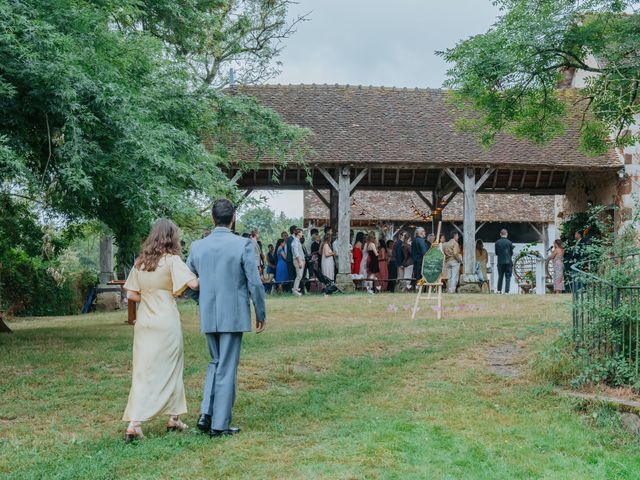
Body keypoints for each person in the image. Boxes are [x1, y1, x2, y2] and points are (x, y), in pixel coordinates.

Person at [187, 199, 266, 438]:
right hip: (233, 313)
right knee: (227, 367)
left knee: (216, 362)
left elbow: (185, 279)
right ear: (233, 219)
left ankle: (206, 413)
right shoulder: (243, 244)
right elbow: (255, 282)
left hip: (209, 312)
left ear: (213, 219)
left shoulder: (197, 247)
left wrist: (200, 298)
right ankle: (219, 424)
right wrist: (260, 313)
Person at [122, 219, 199, 442]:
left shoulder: (140, 262)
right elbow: (193, 284)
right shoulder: (172, 260)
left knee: (144, 370)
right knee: (172, 368)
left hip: (144, 322)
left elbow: (131, 294)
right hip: (166, 322)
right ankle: (147, 421)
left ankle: (163, 419)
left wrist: (149, 296)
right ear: (171, 237)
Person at [495, 228, 514, 294]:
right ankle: (506, 291)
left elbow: (496, 253)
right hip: (508, 262)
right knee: (508, 277)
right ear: (507, 234)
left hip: (500, 262)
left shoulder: (497, 242)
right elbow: (511, 253)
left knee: (500, 276)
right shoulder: (509, 242)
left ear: (500, 234)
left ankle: (499, 290)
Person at [291, 228, 305, 296]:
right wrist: (299, 262)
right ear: (298, 233)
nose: (302, 234)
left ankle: (295, 288)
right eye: (302, 232)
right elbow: (296, 253)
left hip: (300, 260)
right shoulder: (295, 242)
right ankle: (295, 290)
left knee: (300, 275)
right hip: (297, 260)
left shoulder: (297, 241)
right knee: (299, 276)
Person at [284, 225, 297, 292]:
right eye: (296, 229)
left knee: (295, 275)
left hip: (294, 259)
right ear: (293, 231)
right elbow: (291, 249)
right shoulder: (290, 239)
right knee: (291, 275)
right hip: (290, 260)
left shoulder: (295, 238)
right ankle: (291, 290)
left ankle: (295, 289)